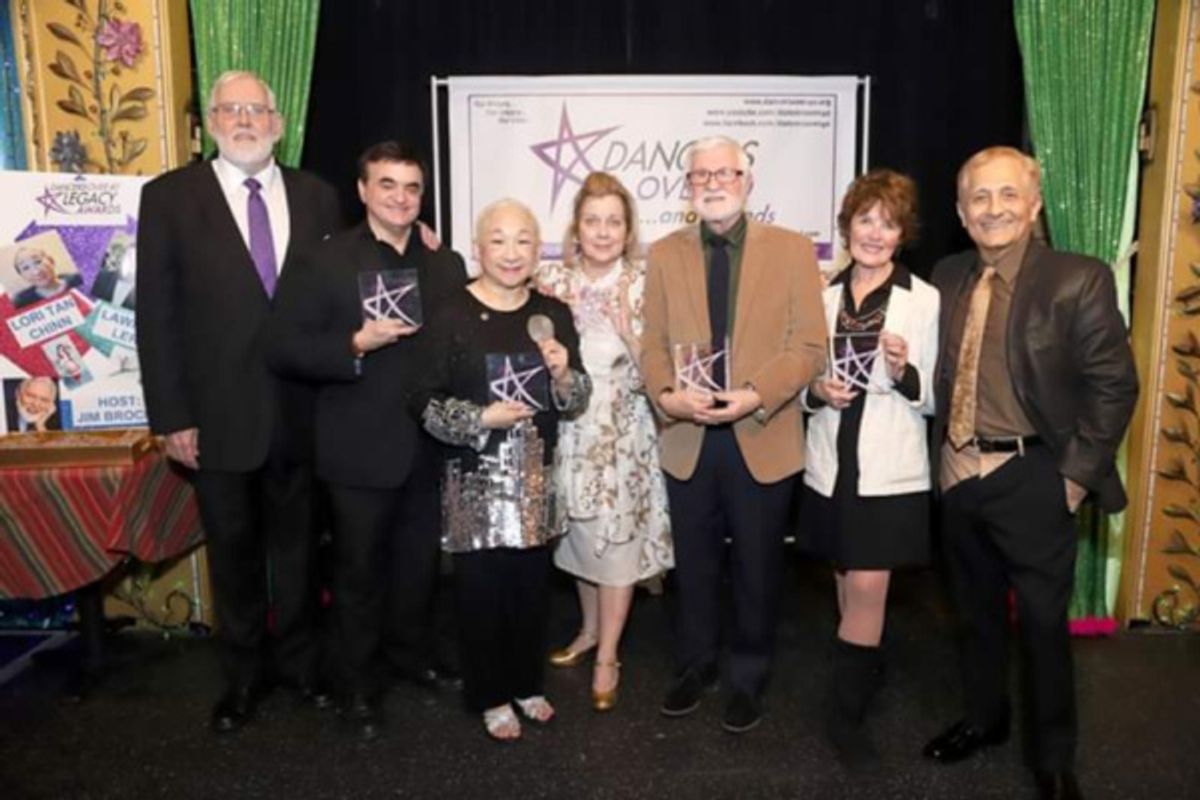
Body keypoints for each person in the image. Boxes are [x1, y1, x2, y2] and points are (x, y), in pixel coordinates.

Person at [922, 147, 1137, 800]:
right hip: (959, 473)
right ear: (961, 213)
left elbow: (1114, 387)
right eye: (979, 198)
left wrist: (1072, 479)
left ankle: (1052, 756)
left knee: (1044, 627)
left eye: (1008, 195)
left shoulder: (1079, 278)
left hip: (1034, 475)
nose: (994, 209)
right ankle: (985, 720)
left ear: (1034, 203)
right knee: (974, 616)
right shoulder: (948, 273)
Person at [136, 70, 342, 733]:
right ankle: (244, 679)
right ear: (210, 124)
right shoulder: (169, 198)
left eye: (258, 110)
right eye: (232, 109)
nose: (246, 120)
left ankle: (302, 668)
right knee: (234, 552)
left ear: (279, 124)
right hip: (216, 417)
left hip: (304, 414)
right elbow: (157, 317)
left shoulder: (318, 197)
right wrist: (171, 417)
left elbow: (347, 290)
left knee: (302, 551)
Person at [266, 140, 467, 739]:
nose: (400, 197)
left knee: (419, 569)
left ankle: (411, 657)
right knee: (356, 576)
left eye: (411, 187)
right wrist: (353, 345)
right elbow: (281, 347)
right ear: (362, 191)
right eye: (387, 185)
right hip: (357, 449)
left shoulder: (445, 265)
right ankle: (356, 685)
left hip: (428, 447)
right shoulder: (323, 261)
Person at [641, 135, 827, 733]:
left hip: (761, 431)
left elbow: (808, 347)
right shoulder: (665, 253)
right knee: (692, 566)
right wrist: (667, 395)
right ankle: (694, 666)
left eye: (726, 173)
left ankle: (749, 676)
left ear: (748, 181)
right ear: (687, 189)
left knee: (757, 567)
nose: (713, 183)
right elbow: (650, 345)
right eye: (701, 176)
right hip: (689, 437)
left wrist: (755, 394)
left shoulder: (794, 250)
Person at [411, 198, 590, 741]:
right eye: (499, 240)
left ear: (538, 251)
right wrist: (480, 417)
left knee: (531, 592)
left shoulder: (552, 314)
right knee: (481, 595)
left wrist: (563, 376)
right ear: (479, 246)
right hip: (473, 478)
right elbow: (421, 399)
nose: (511, 253)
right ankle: (489, 694)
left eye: (523, 241)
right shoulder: (449, 312)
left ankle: (527, 683)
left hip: (535, 473)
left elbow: (577, 398)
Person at [798, 169, 939, 765]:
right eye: (865, 219)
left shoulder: (924, 299)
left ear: (903, 234)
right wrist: (816, 392)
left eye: (888, 222)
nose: (875, 233)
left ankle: (845, 713)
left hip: (889, 463)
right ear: (847, 226)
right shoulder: (821, 297)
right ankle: (864, 662)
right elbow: (801, 381)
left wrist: (905, 370)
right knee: (843, 577)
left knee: (866, 584)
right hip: (832, 462)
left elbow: (935, 394)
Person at [536, 172, 673, 711]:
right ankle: (589, 630)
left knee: (615, 547)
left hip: (623, 436)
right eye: (592, 220)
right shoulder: (553, 282)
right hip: (569, 433)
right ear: (576, 227)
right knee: (578, 538)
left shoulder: (644, 284)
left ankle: (608, 655)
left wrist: (629, 331)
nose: (602, 231)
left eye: (614, 221)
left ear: (628, 229)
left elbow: (664, 371)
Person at [11, 247, 82, 309]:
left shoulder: (78, 280)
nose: (36, 272)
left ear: (51, 261)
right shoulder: (21, 301)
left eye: (38, 262)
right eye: (26, 268)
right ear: (22, 276)